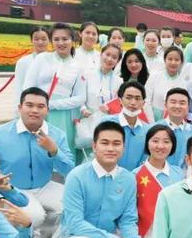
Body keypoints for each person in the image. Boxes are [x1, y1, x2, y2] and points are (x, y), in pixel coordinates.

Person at [0, 87, 74, 230]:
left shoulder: (57, 135)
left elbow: (68, 169)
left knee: (73, 209)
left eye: (40, 106)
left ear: (47, 110)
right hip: (11, 190)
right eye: (29, 105)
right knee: (34, 217)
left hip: (44, 185)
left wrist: (54, 150)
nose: (35, 110)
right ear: (20, 107)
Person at [23, 23, 86, 158]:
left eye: (65, 39)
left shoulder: (77, 66)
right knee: (36, 151)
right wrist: (36, 105)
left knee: (61, 151)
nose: (61, 43)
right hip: (38, 112)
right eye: (56, 39)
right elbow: (28, 87)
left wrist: (52, 105)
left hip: (63, 117)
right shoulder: (42, 58)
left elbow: (81, 97)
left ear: (73, 40)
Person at [133, 125, 184, 238]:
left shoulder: (178, 173)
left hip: (174, 234)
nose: (160, 146)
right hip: (146, 235)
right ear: (147, 143)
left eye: (166, 142)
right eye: (155, 141)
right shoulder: (135, 175)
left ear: (172, 146)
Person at [101, 82, 149, 171]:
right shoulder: (106, 123)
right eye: (128, 98)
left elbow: (145, 159)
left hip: (133, 179)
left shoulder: (147, 130)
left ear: (143, 103)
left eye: (138, 98)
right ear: (120, 100)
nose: (133, 102)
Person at [145, 46, 192, 121]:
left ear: (181, 62)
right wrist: (152, 122)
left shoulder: (184, 84)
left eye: (177, 60)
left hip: (173, 120)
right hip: (153, 118)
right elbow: (147, 101)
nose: (173, 62)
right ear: (164, 60)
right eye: (170, 59)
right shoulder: (154, 77)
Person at [81, 44, 123, 126]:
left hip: (108, 122)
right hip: (87, 119)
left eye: (114, 57)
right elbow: (79, 95)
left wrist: (110, 110)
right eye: (107, 54)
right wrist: (83, 109)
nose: (109, 59)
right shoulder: (87, 74)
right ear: (101, 54)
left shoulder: (119, 81)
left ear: (118, 61)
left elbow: (119, 104)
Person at [156, 87, 192, 169]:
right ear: (165, 105)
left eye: (182, 103)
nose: (177, 106)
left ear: (188, 107)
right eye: (173, 102)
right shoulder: (155, 128)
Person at [14, 26, 50, 108]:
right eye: (36, 39)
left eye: (44, 39)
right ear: (31, 41)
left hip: (52, 106)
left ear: (49, 40)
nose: (40, 42)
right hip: (30, 106)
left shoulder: (56, 61)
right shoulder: (23, 62)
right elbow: (19, 87)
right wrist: (19, 108)